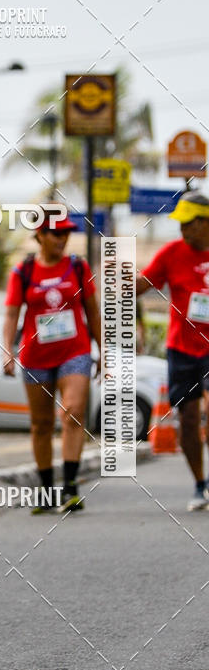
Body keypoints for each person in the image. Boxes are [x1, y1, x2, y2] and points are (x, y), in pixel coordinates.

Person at [3, 212, 101, 514]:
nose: (63, 239)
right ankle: (46, 491)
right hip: (36, 356)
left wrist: (104, 348)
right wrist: (7, 350)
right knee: (41, 424)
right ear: (41, 235)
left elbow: (93, 312)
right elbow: (10, 315)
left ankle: (70, 487)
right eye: (56, 233)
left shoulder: (77, 267)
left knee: (72, 411)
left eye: (66, 233)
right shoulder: (24, 271)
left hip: (75, 350)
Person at [137, 191, 209, 511]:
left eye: (188, 223)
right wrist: (118, 279)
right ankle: (199, 484)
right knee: (189, 419)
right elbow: (142, 283)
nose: (181, 229)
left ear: (205, 223)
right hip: (181, 349)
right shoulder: (171, 254)